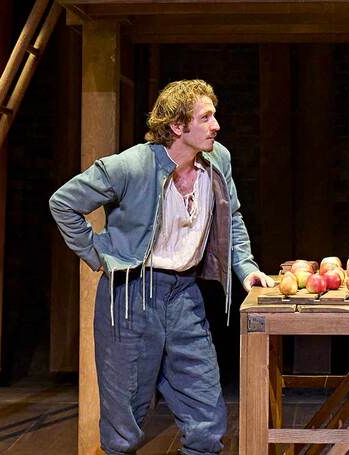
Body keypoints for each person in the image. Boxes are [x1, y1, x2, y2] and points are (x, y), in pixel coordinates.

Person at [49, 79, 274, 455]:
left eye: (213, 115)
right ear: (177, 126)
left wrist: (245, 266)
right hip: (131, 296)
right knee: (124, 425)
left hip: (184, 295)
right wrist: (99, 254)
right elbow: (64, 203)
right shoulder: (130, 166)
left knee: (206, 419)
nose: (216, 124)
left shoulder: (218, 160)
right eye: (205, 117)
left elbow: (230, 216)